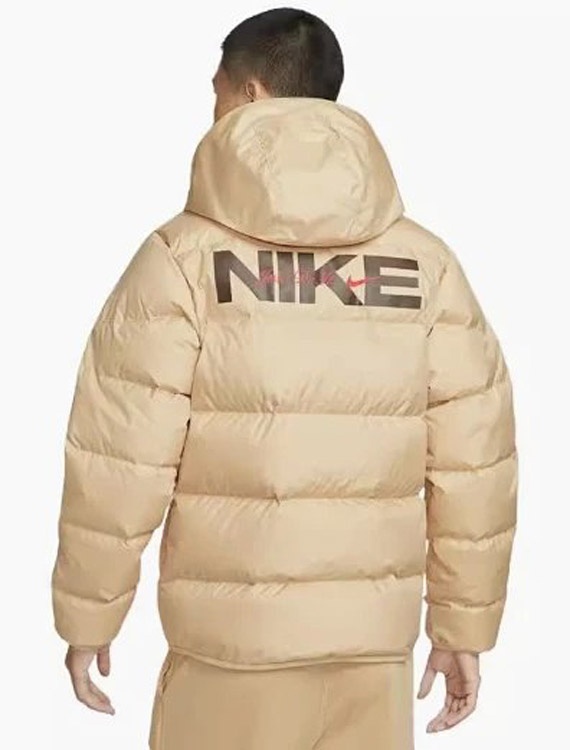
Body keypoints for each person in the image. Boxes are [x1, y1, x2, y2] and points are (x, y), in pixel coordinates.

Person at [51, 7, 518, 749]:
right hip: (373, 656)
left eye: (216, 93)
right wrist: (463, 627)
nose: (212, 113)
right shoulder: (425, 265)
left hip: (230, 656)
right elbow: (476, 462)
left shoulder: (181, 260)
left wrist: (89, 614)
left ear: (251, 95)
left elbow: (121, 458)